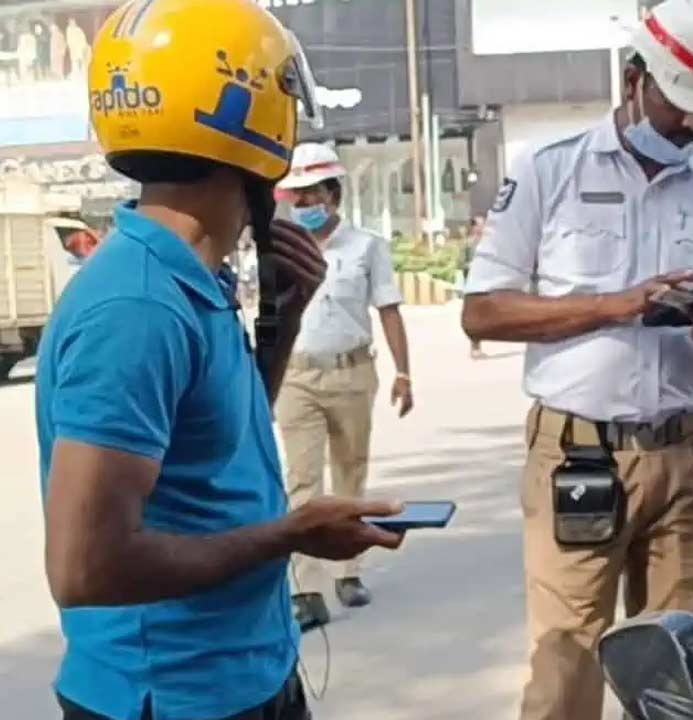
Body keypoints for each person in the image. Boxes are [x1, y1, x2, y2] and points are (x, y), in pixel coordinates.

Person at [35, 3, 406, 719]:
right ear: (259, 121)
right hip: (174, 697)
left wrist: (283, 322)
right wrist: (291, 535)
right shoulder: (138, 309)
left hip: (243, 673)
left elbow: (210, 453)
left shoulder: (187, 280)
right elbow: (85, 567)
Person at [461, 1, 693, 717]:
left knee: (677, 674)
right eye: (678, 103)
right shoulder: (551, 172)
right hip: (580, 455)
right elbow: (483, 311)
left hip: (689, 456)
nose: (690, 123)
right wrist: (619, 305)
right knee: (566, 669)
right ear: (634, 80)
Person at [274, 142, 415, 630]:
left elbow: (388, 309)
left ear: (334, 194)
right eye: (297, 196)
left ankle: (348, 571)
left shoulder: (366, 247)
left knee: (350, 472)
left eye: (313, 194)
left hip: (352, 372)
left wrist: (403, 373)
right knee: (302, 480)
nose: (305, 204)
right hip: (297, 375)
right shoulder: (280, 247)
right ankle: (306, 587)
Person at [462, 215, 486, 359]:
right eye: (480, 224)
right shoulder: (468, 244)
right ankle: (475, 347)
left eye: (483, 224)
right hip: (472, 284)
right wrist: (470, 265)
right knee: (476, 316)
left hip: (485, 283)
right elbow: (461, 263)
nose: (482, 227)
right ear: (474, 227)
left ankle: (477, 345)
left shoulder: (487, 243)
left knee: (483, 316)